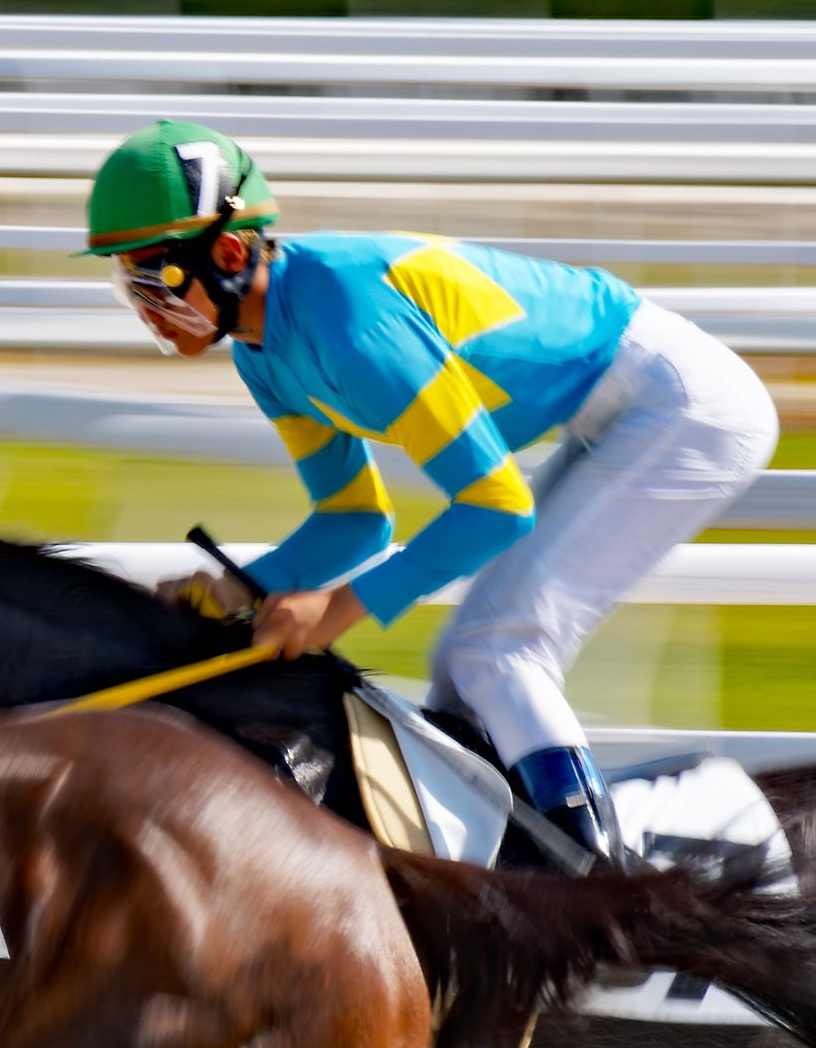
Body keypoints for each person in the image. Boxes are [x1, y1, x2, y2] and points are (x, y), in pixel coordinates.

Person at [90, 118, 773, 865]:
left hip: (684, 405)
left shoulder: (348, 319)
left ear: (227, 253)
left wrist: (341, 607)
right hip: (619, 407)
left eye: (154, 278)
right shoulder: (261, 351)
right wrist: (241, 589)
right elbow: (353, 520)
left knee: (497, 650)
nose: (146, 306)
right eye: (130, 283)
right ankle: (522, 872)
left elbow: (496, 506)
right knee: (462, 675)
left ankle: (604, 896)